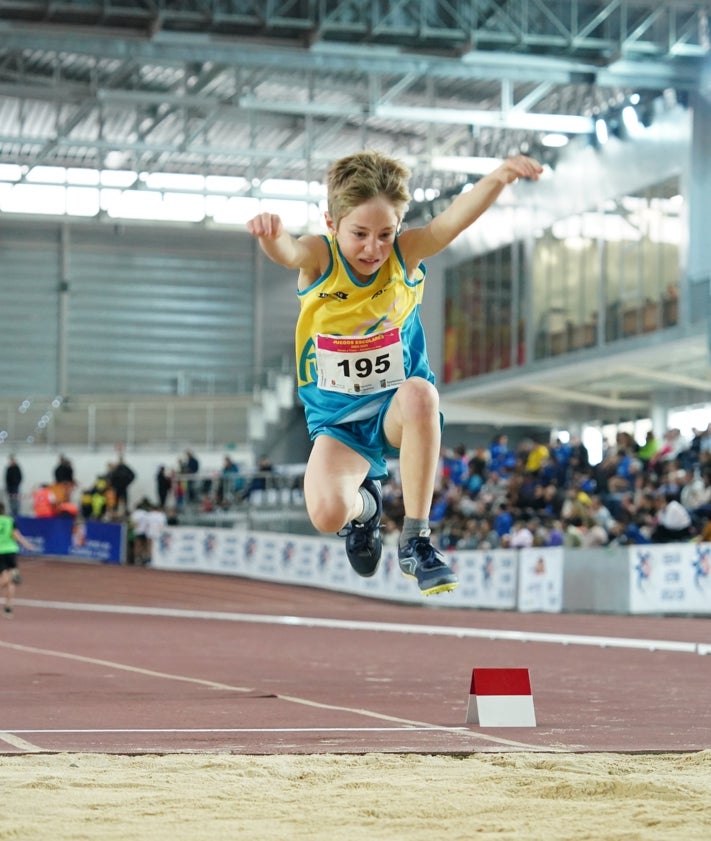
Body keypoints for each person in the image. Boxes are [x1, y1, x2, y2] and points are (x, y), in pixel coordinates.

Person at [247, 149, 542, 595]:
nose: (373, 248)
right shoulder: (320, 258)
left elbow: (449, 223)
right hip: (339, 419)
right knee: (327, 514)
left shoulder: (403, 256)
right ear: (332, 223)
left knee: (422, 393)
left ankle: (416, 539)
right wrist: (271, 236)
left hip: (395, 407)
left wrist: (498, 177)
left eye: (385, 234)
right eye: (360, 234)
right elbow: (287, 252)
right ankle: (366, 510)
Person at [0, 502, 36, 617]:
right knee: (11, 580)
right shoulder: (10, 520)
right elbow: (16, 535)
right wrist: (27, 545)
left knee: (7, 579)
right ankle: (9, 607)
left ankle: (9, 608)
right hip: (10, 551)